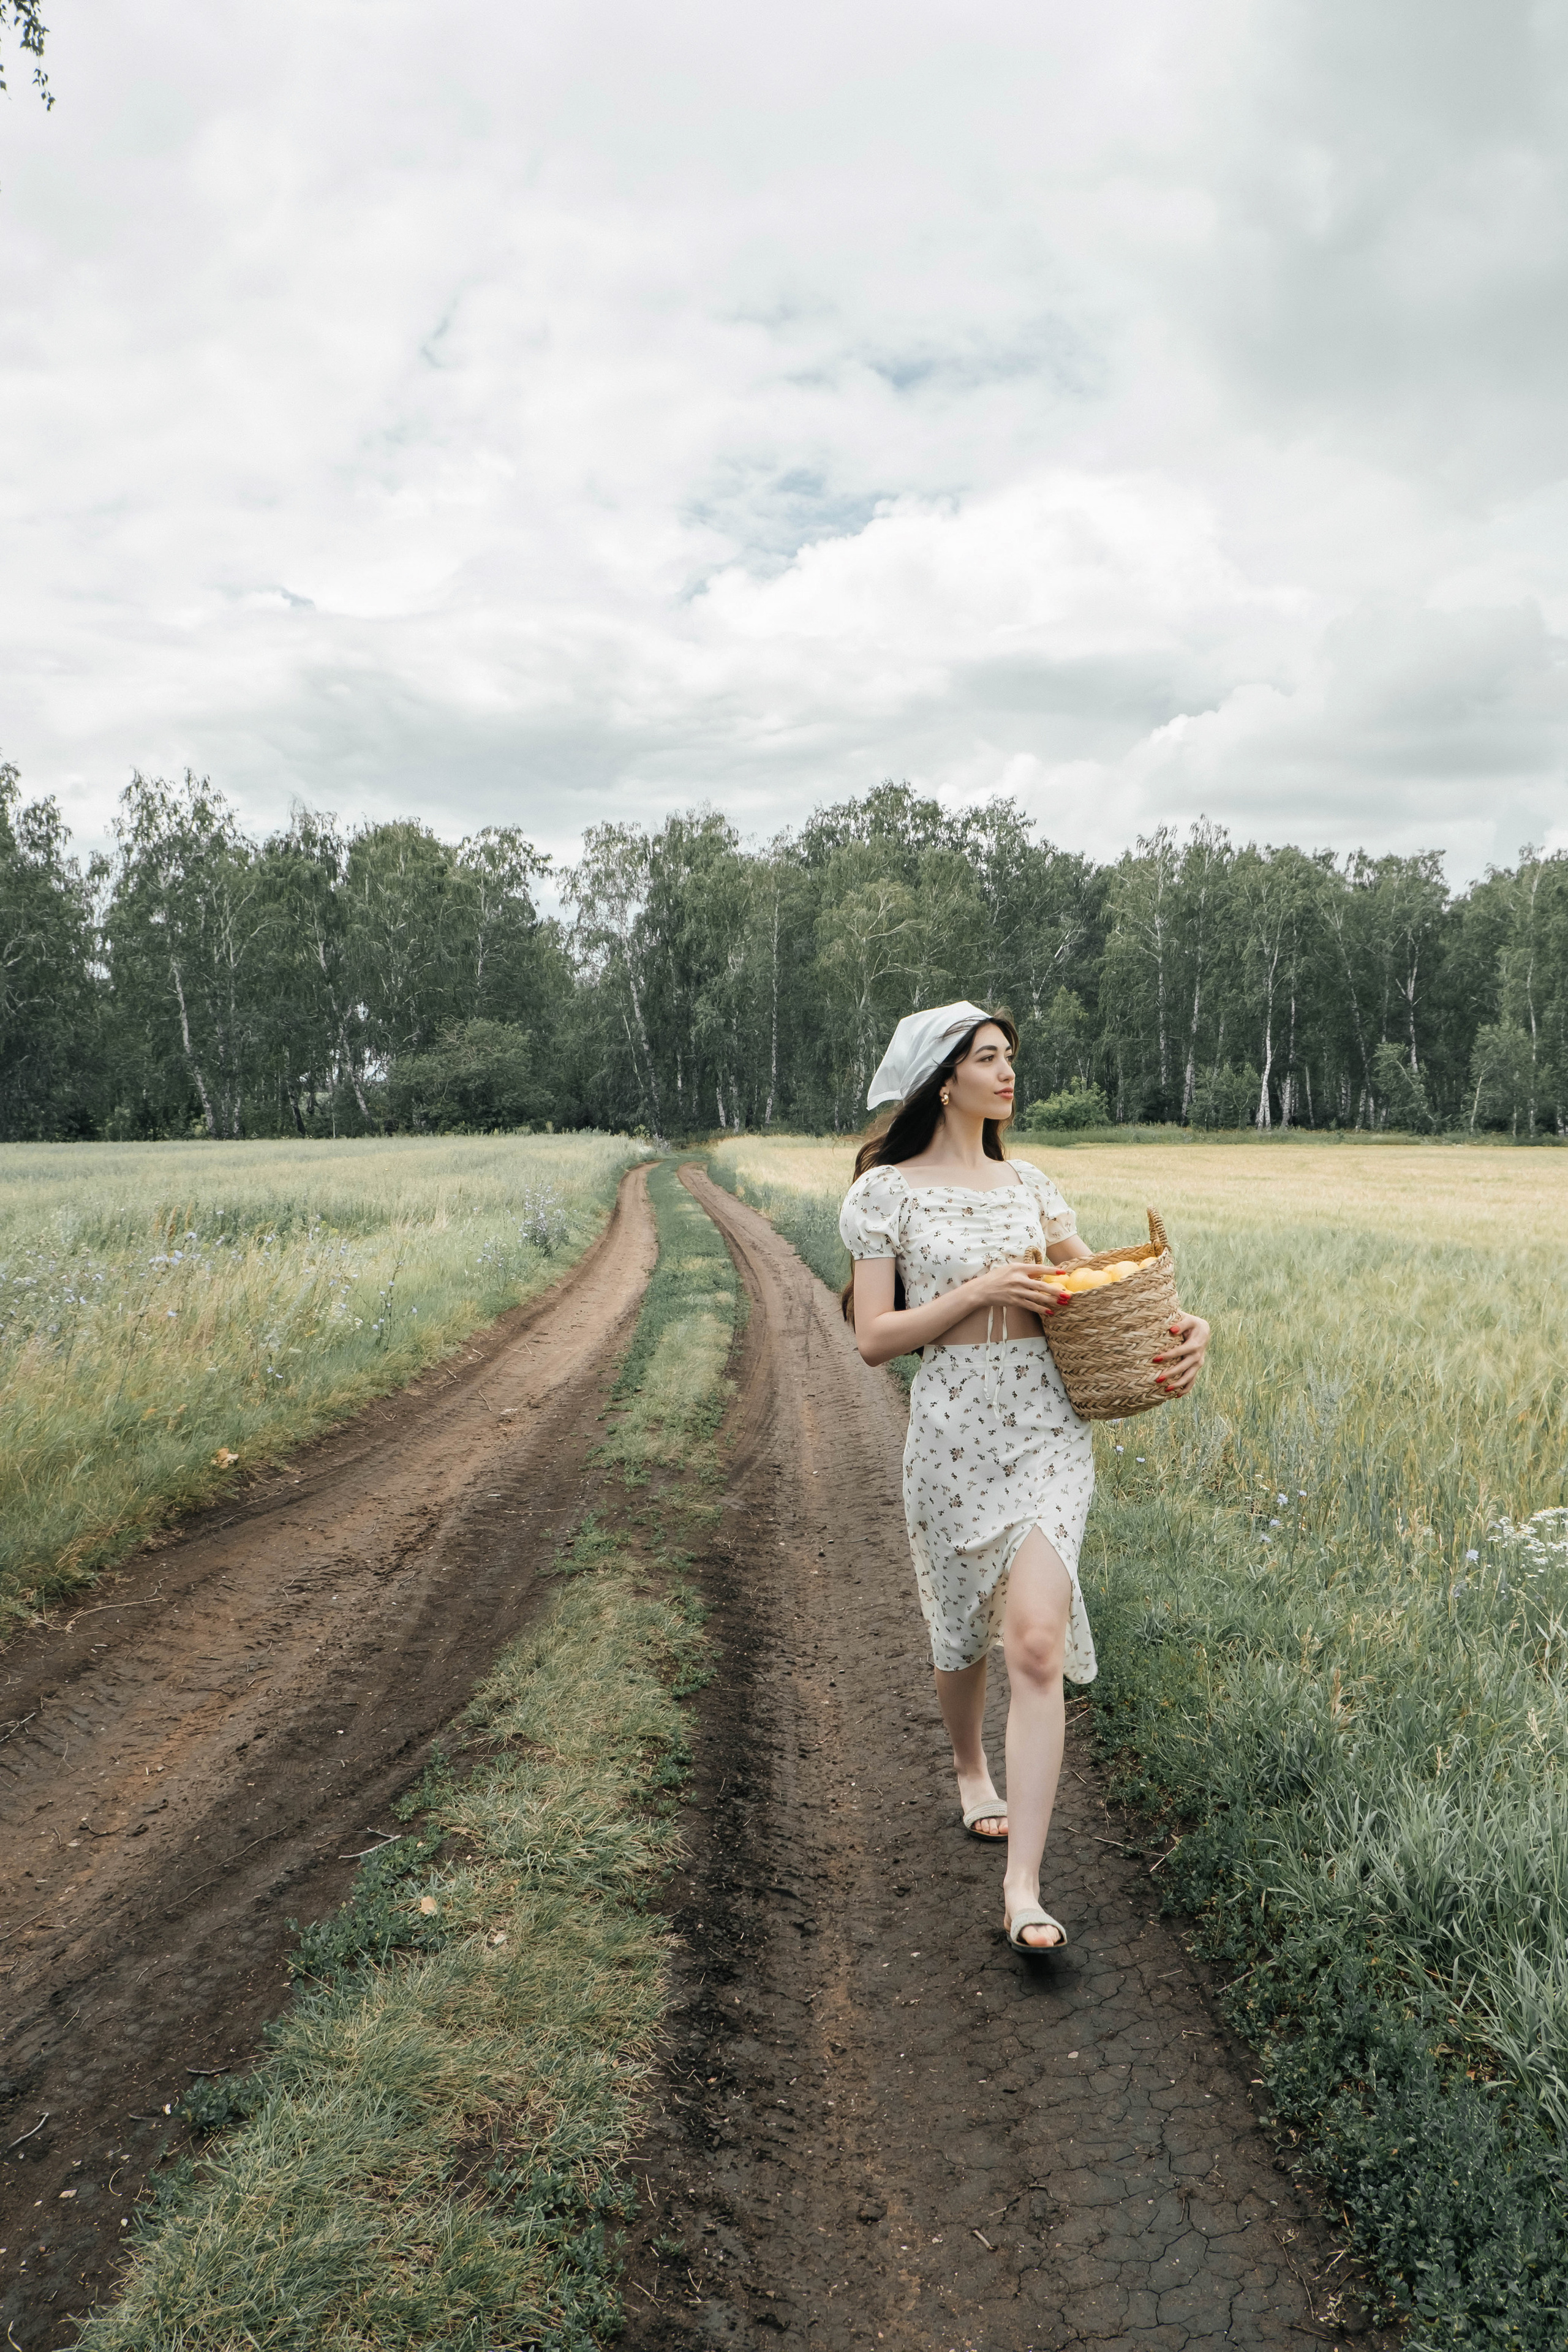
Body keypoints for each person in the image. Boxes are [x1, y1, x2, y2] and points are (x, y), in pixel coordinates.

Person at [838, 1003, 1209, 1951]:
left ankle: (1024, 1888)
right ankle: (971, 1769)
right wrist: (975, 1292)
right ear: (942, 1079)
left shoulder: (1034, 1188)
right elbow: (875, 1340)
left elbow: (1110, 1296)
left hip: (1048, 1430)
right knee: (959, 1632)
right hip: (952, 1428)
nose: (1008, 1074)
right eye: (988, 1059)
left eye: (1010, 1058)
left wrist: (1186, 1331)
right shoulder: (888, 1195)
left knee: (1035, 1645)